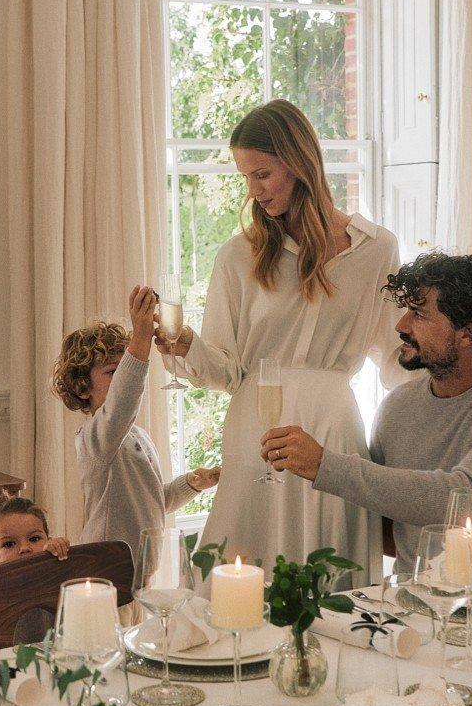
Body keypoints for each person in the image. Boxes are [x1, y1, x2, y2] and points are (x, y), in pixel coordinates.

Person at [156, 99, 407, 583]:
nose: (253, 191)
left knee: (334, 576)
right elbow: (226, 371)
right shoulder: (240, 256)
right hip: (256, 428)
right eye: (245, 177)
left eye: (262, 174)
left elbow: (398, 359)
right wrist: (185, 345)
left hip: (333, 430)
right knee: (245, 571)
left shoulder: (377, 249)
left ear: (298, 163)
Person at [260, 253, 472, 569]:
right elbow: (380, 513)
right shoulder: (398, 406)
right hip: (410, 603)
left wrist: (324, 464)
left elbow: (461, 503)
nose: (401, 325)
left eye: (419, 314)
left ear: (468, 332)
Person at [52, 288, 219, 561]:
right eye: (111, 372)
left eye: (123, 369)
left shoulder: (137, 436)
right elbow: (124, 397)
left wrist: (192, 484)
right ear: (83, 387)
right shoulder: (94, 439)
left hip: (138, 571)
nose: (120, 379)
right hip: (105, 568)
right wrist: (141, 337)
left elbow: (154, 503)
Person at [0, 492, 70, 565]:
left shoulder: (54, 572)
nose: (25, 548)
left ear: (48, 540)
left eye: (34, 539)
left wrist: (59, 550)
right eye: (9, 544)